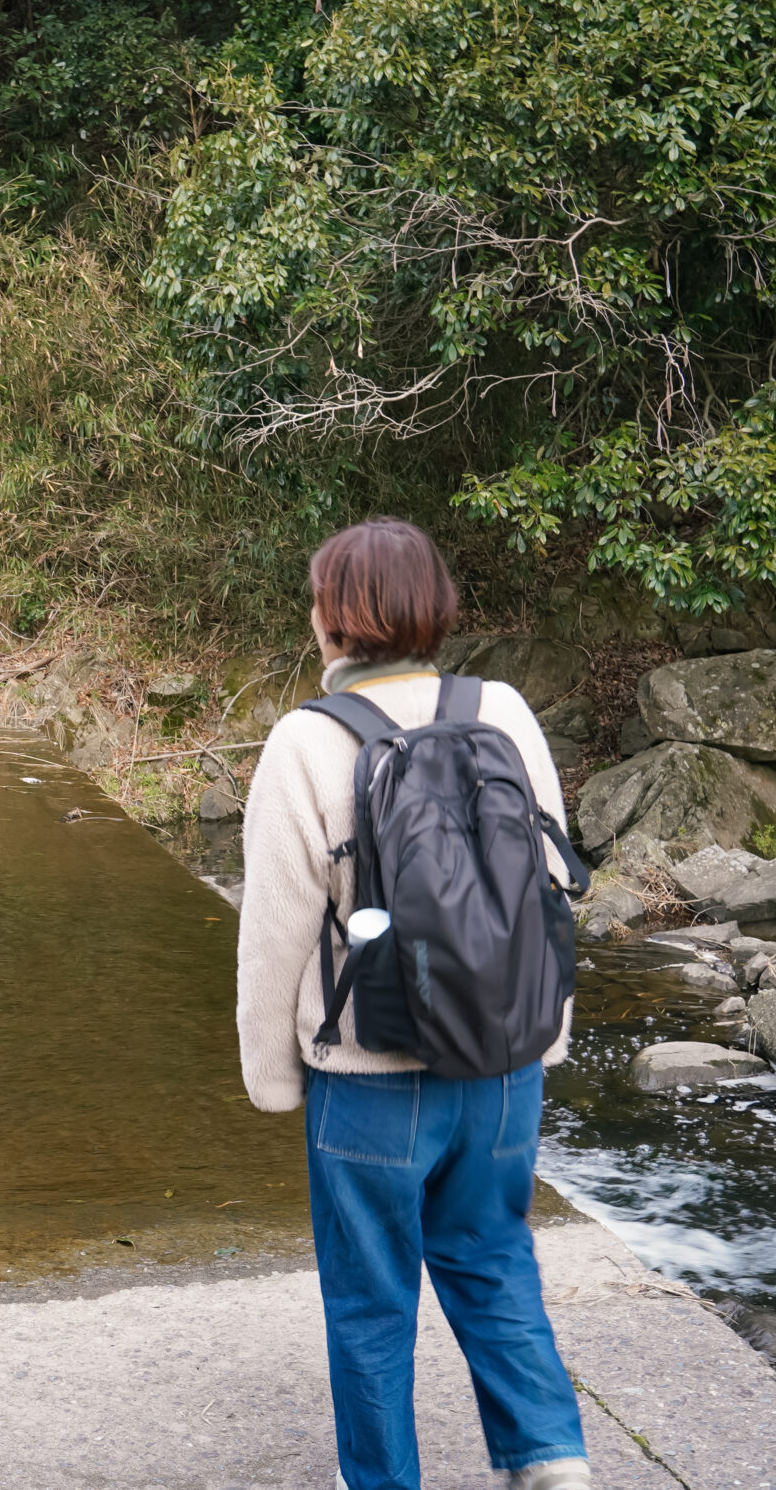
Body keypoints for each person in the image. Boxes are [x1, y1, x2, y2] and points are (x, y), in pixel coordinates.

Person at [236, 518, 590, 1490]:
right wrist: (543, 1037)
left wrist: (273, 1078)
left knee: (370, 1303)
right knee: (492, 1258)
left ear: (335, 617)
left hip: (370, 1077)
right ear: (432, 606)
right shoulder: (502, 710)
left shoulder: (306, 742)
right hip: (504, 1068)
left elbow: (273, 932)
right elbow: (548, 887)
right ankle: (553, 1463)